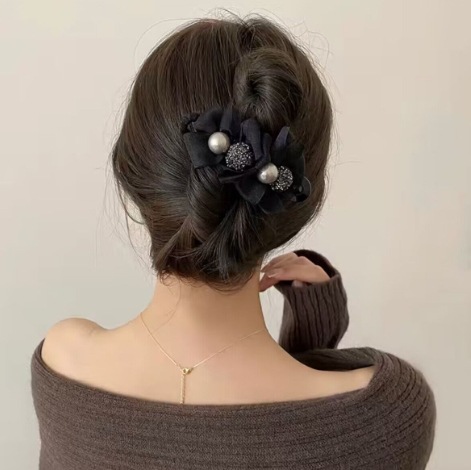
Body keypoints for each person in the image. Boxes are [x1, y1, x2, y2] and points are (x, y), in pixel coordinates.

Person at [30, 14, 436, 470]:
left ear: (131, 172)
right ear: (296, 195)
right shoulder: (385, 418)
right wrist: (312, 341)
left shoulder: (64, 362)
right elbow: (294, 431)